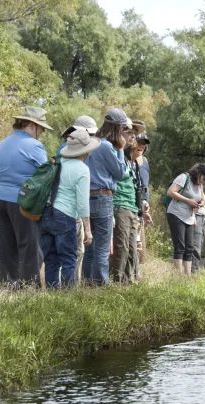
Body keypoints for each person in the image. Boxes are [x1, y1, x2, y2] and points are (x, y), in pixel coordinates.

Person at [0, 106, 52, 289]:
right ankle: (30, 286)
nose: (42, 132)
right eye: (41, 127)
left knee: (7, 245)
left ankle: (7, 284)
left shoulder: (3, 142)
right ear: (31, 125)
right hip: (23, 201)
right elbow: (47, 173)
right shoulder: (34, 146)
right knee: (30, 245)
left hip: (1, 198)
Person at [40, 129, 98, 288]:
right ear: (86, 151)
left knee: (51, 260)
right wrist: (88, 229)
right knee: (68, 260)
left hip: (45, 214)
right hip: (65, 217)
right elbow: (82, 203)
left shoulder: (57, 162)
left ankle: (52, 296)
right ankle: (67, 298)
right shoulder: (82, 169)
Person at [82, 108, 130, 285]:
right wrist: (121, 150)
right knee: (102, 248)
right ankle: (100, 288)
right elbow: (120, 172)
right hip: (103, 197)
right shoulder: (107, 146)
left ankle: (86, 283)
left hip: (86, 197)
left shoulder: (91, 143)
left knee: (90, 247)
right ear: (117, 128)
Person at [57, 115, 98, 284]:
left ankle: (57, 288)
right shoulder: (81, 163)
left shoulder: (63, 148)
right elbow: (81, 200)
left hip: (53, 210)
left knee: (56, 254)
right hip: (71, 211)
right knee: (75, 252)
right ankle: (71, 289)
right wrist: (87, 228)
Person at [110, 123, 149, 283]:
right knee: (122, 247)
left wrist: (143, 206)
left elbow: (136, 187)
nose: (140, 148)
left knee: (133, 249)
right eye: (138, 146)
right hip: (120, 207)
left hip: (133, 209)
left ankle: (130, 282)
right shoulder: (118, 157)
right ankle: (117, 283)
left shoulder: (135, 165)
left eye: (142, 147)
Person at [166, 163, 205, 276]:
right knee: (180, 246)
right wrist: (188, 201)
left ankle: (188, 277)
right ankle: (179, 276)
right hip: (176, 214)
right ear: (199, 173)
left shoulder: (200, 185)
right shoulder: (184, 177)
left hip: (190, 217)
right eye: (204, 178)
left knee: (190, 248)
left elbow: (203, 199)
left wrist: (200, 204)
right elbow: (170, 192)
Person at [133, 129, 151, 264]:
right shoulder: (128, 158)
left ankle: (137, 270)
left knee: (139, 241)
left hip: (140, 205)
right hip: (129, 204)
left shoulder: (143, 161)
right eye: (139, 143)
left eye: (144, 145)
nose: (141, 146)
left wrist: (145, 202)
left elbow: (145, 185)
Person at [192, 195, 205, 274]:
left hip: (202, 217)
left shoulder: (200, 188)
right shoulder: (191, 185)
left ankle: (195, 269)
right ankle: (194, 271)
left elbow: (203, 201)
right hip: (196, 216)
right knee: (196, 245)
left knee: (199, 244)